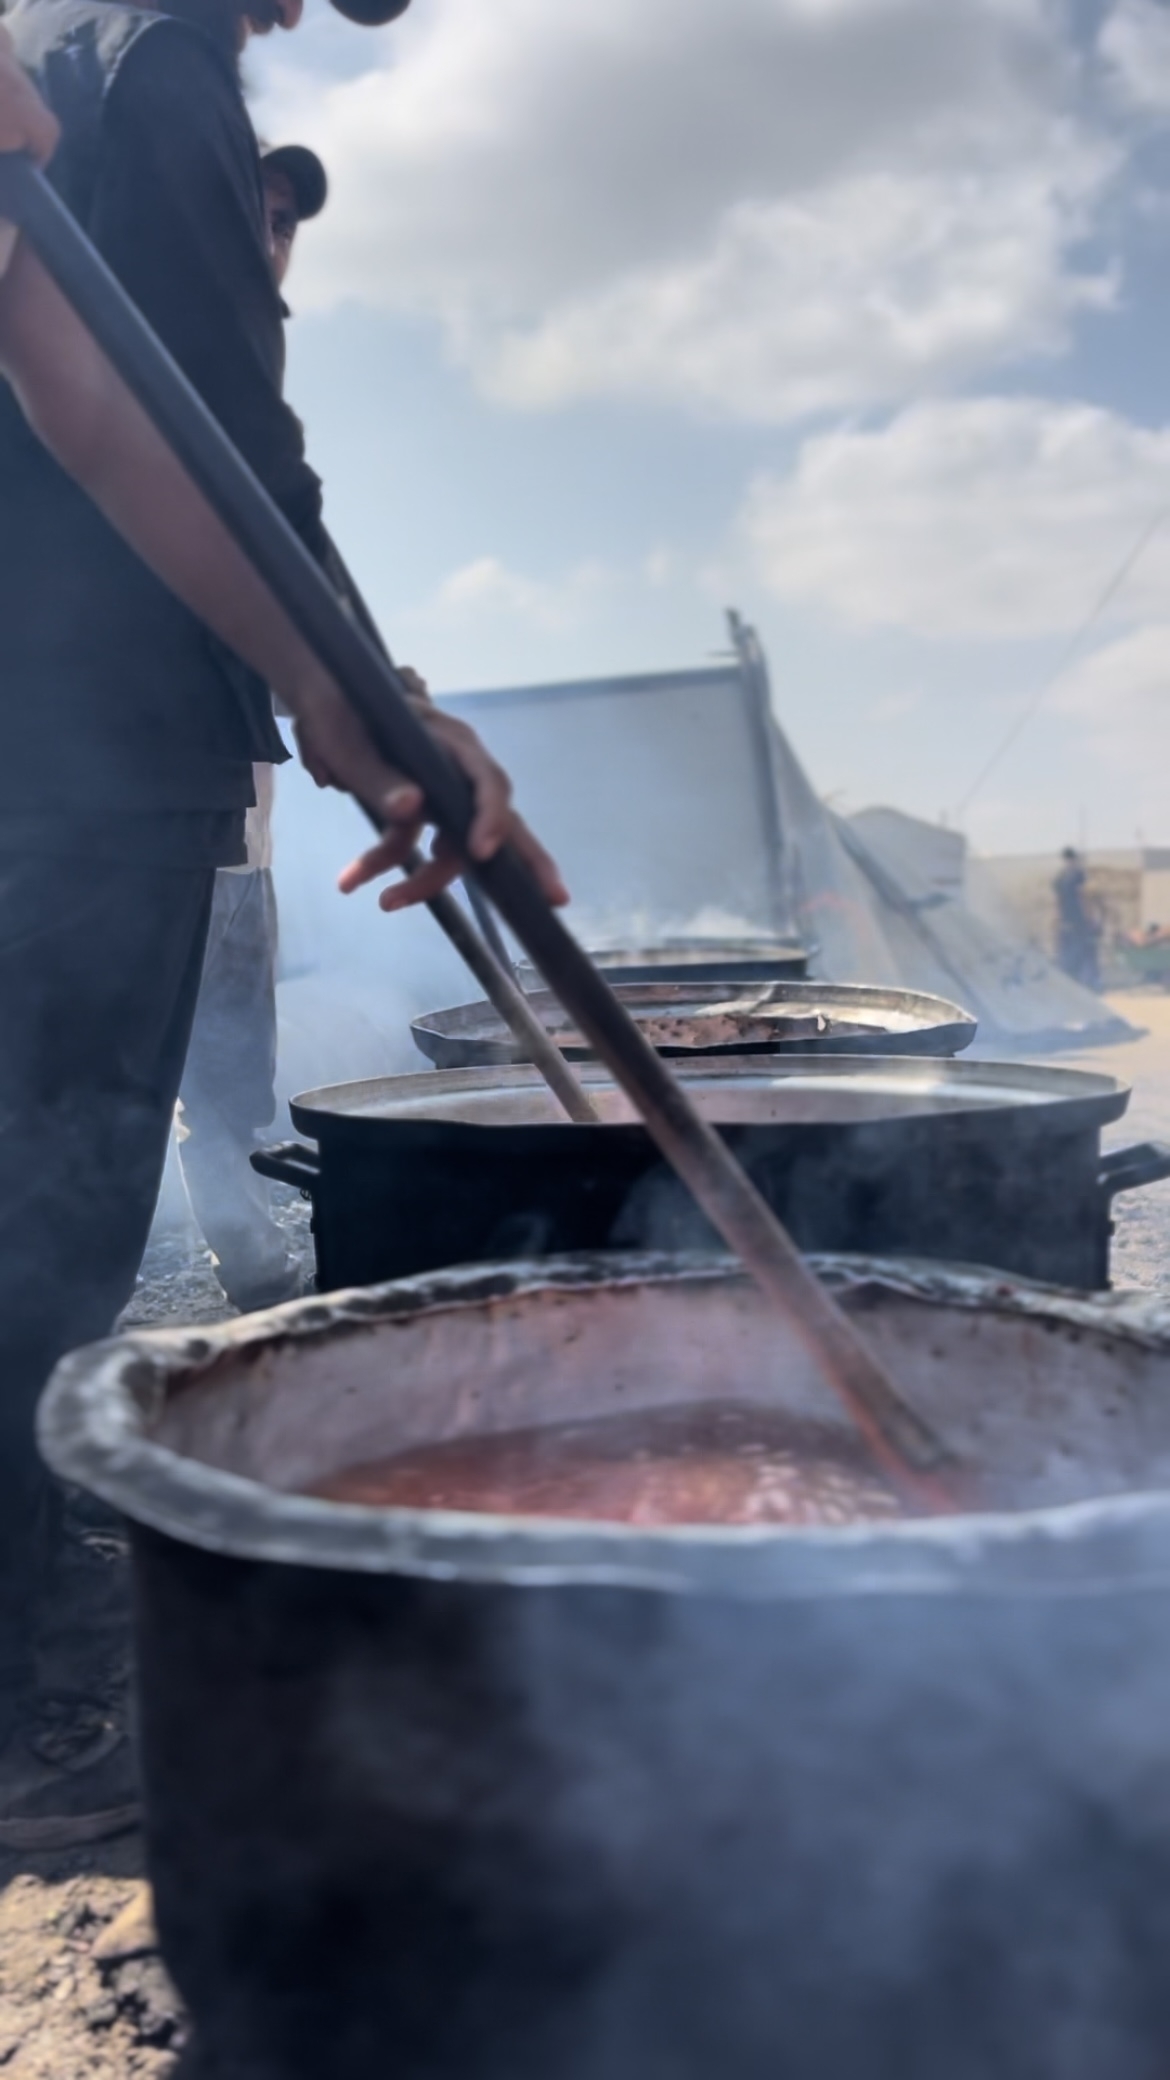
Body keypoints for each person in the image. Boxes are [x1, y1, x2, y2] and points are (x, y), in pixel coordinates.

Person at [0, 3, 564, 1846]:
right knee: (32, 1239)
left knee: (46, 1232)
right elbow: (182, 414)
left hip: (92, 740)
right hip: (70, 749)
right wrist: (350, 694)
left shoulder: (83, 64)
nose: (307, 15)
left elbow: (107, 396)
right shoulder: (147, 55)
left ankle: (27, 1599)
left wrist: (349, 695)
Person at [175, 143, 328, 1313]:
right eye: (256, 215)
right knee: (121, 1067)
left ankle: (240, 1238)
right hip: (138, 808)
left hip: (238, 825)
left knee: (228, 1065)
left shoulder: (247, 384)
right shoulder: (163, 358)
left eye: (285, 226)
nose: (271, 245)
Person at [1053, 848, 1101, 990]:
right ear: (1074, 859)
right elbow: (1083, 897)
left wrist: (1058, 920)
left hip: (1066, 921)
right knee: (1084, 950)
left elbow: (1058, 901)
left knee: (1068, 951)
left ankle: (1072, 980)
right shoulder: (1078, 875)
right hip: (1078, 921)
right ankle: (1086, 982)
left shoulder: (1060, 877)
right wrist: (1090, 919)